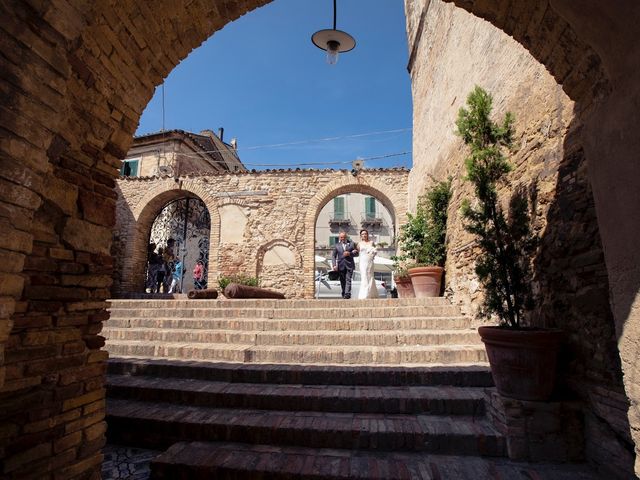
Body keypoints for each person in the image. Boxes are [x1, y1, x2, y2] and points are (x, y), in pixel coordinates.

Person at [331, 231, 359, 299]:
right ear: (339, 238)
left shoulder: (352, 244)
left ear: (346, 237)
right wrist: (334, 265)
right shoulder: (337, 245)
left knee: (348, 279)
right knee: (342, 280)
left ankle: (347, 293)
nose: (342, 238)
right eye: (341, 237)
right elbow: (333, 256)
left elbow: (357, 253)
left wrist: (350, 254)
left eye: (343, 237)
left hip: (349, 265)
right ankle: (344, 292)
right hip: (341, 265)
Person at [357, 229, 379, 299]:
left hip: (370, 262)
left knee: (370, 276)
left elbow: (374, 251)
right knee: (364, 276)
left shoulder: (371, 242)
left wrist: (373, 254)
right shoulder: (359, 244)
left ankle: (371, 293)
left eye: (365, 234)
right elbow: (358, 253)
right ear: (361, 236)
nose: (364, 235)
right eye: (363, 234)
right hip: (363, 262)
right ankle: (365, 294)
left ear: (367, 235)